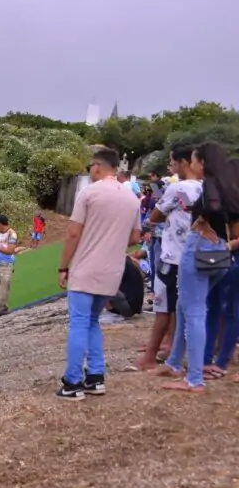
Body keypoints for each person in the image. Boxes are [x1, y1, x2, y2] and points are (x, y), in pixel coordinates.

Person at [57, 147, 141, 400]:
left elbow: (73, 233)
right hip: (112, 271)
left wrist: (63, 266)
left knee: (79, 323)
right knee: (92, 321)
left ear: (97, 166)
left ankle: (72, 382)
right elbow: (136, 237)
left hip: (86, 268)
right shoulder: (131, 198)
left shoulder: (89, 193)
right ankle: (95, 377)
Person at [157, 142, 239, 393]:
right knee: (185, 305)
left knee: (194, 311)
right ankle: (174, 363)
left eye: (193, 160)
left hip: (199, 249)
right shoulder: (231, 188)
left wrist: (203, 220)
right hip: (220, 255)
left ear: (202, 162)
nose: (191, 165)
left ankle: (194, 378)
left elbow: (212, 207)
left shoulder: (211, 184)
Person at [134, 144, 201, 371]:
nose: (171, 168)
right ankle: (173, 347)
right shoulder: (207, 187)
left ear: (183, 162)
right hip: (197, 254)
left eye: (172, 162)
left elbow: (155, 215)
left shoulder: (178, 189)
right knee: (187, 306)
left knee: (164, 306)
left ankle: (151, 356)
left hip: (173, 256)